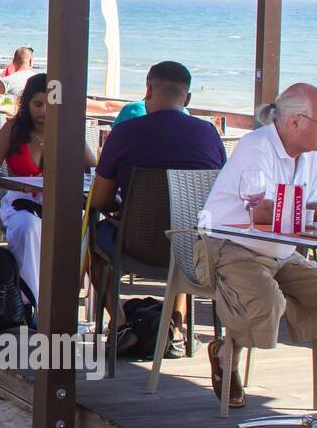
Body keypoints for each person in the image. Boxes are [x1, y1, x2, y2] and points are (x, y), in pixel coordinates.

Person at [197, 84, 317, 411]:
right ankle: (225, 354)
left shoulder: (311, 154)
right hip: (229, 244)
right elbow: (259, 211)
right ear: (294, 122)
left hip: (282, 251)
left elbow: (306, 210)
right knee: (266, 298)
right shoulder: (255, 146)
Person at [90, 62, 226, 349]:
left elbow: (100, 200)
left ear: (147, 89)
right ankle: (176, 329)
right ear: (187, 99)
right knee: (186, 230)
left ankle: (119, 324)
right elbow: (220, 193)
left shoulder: (124, 133)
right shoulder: (210, 134)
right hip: (192, 246)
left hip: (135, 243)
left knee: (92, 239)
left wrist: (120, 204)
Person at [0, 73, 97, 308]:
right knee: (28, 227)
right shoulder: (14, 129)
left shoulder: (68, 129)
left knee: (83, 224)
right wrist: (22, 185)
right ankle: (29, 300)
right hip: (20, 200)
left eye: (49, 104)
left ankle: (64, 300)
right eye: (37, 104)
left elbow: (93, 168)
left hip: (58, 202)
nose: (43, 110)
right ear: (27, 103)